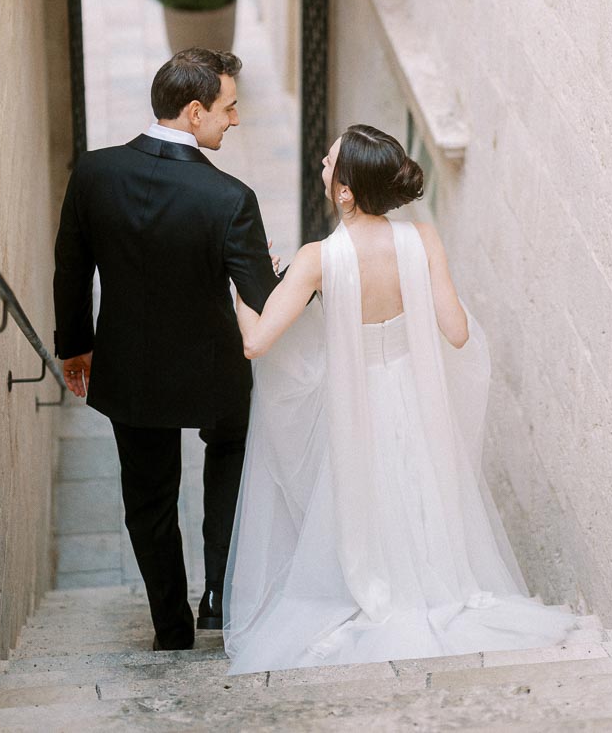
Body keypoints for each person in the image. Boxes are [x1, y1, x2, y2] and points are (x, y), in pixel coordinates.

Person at [224, 124, 574, 673]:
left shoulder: (319, 258)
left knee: (365, 492)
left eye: (330, 159)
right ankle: (433, 585)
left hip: (353, 403)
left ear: (345, 191)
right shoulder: (424, 239)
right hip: (415, 394)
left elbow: (257, 343)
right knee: (419, 487)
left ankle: (376, 586)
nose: (322, 160)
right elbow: (456, 332)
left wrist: (243, 294)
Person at [53, 48, 278, 651]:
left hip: (129, 369)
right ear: (195, 110)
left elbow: (71, 268)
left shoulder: (94, 173)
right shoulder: (231, 199)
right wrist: (292, 276)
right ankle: (218, 597)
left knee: (148, 498)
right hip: (213, 371)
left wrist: (75, 346)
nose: (235, 120)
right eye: (229, 109)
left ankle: (170, 629)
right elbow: (263, 296)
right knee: (232, 450)